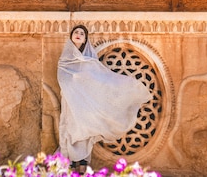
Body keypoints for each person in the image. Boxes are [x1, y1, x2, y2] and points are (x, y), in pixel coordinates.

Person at [57, 24, 152, 173]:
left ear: (85, 39)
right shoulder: (64, 61)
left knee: (85, 134)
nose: (78, 34)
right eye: (76, 32)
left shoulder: (90, 61)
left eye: (82, 33)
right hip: (71, 104)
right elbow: (63, 79)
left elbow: (100, 79)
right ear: (71, 37)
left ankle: (81, 169)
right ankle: (71, 167)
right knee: (71, 133)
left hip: (87, 105)